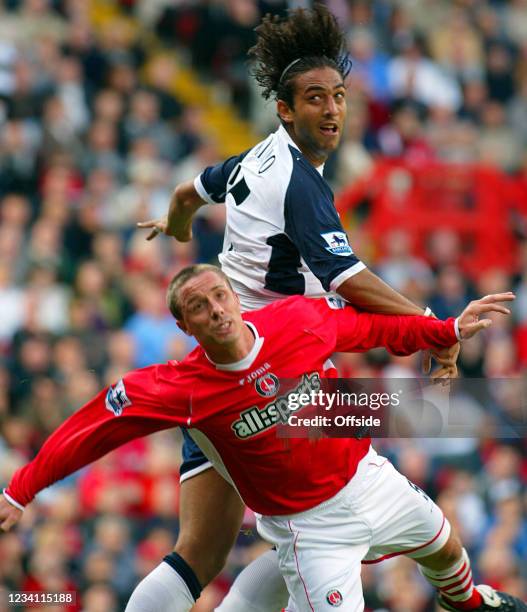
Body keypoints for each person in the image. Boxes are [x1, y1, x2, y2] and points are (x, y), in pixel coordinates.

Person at [135, 6, 461, 611]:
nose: (333, 110)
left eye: (339, 96)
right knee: (335, 517)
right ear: (285, 109)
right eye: (316, 99)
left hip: (221, 374)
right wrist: (433, 326)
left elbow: (188, 191)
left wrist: (176, 223)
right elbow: (350, 279)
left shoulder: (253, 157)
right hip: (268, 375)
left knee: (205, 551)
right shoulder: (299, 184)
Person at [1, 264, 522, 612]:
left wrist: (447, 330)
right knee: (201, 553)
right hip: (307, 528)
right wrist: (20, 489)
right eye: (200, 307)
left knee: (445, 546)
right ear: (183, 325)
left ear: (235, 296)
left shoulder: (298, 320)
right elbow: (89, 430)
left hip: (368, 476)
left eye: (220, 297)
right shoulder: (179, 387)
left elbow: (377, 330)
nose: (217, 311)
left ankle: (471, 606)